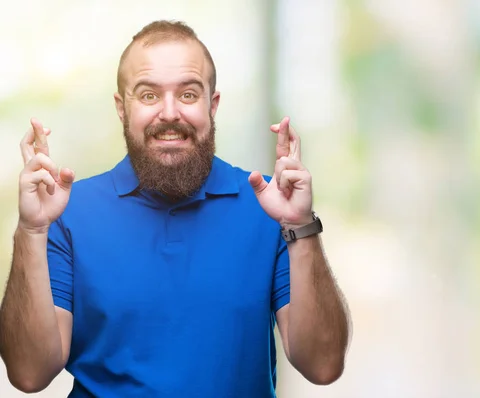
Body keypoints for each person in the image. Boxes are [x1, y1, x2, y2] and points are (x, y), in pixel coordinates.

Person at [0, 20, 351, 397]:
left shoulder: (269, 208)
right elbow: (29, 374)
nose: (169, 114)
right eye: (149, 95)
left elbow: (323, 365)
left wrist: (300, 225)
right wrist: (32, 230)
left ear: (212, 104)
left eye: (187, 94)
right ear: (122, 107)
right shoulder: (66, 212)